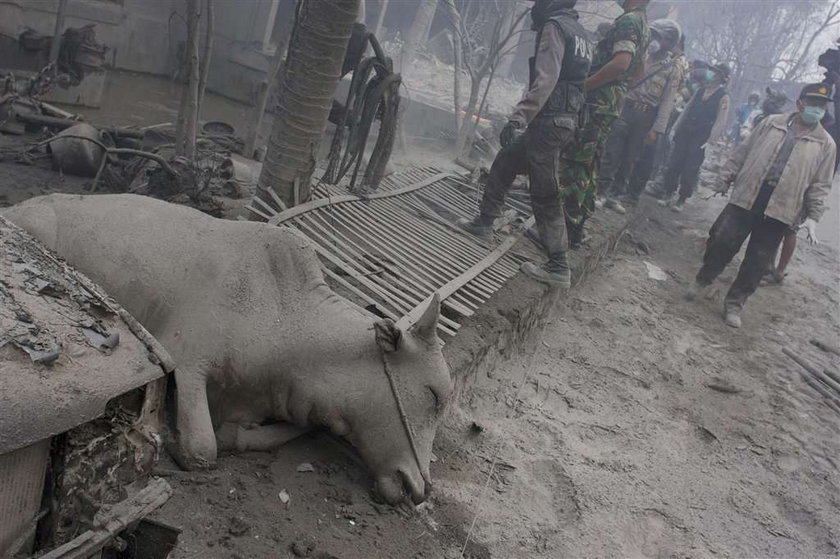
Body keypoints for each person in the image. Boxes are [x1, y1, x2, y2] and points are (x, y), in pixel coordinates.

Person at [457, 0, 593, 288]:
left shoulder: (555, 27)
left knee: (544, 192)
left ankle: (558, 265)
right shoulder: (581, 32)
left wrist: (519, 117)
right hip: (564, 121)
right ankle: (483, 223)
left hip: (549, 121)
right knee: (506, 161)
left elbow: (546, 80)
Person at [688, 83, 836, 329]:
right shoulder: (772, 123)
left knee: (758, 261)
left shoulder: (825, 144)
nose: (817, 109)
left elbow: (821, 184)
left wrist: (813, 216)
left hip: (781, 209)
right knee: (722, 241)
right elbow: (743, 151)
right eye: (813, 104)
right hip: (748, 197)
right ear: (800, 104)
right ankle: (703, 280)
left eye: (821, 106)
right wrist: (725, 177)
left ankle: (735, 303)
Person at [560, 0, 651, 248]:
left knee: (576, 162)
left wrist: (584, 86)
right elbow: (639, 71)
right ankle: (576, 227)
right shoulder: (644, 23)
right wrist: (618, 90)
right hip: (608, 104)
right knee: (589, 164)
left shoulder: (629, 21)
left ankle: (564, 233)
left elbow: (621, 63)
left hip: (596, 104)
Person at [598, 18, 684, 214]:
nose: (654, 40)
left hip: (646, 117)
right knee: (612, 151)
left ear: (669, 42)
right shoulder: (639, 55)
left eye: (659, 37)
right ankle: (600, 192)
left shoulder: (672, 67)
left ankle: (615, 195)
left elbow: (667, 102)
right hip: (625, 108)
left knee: (630, 157)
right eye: (653, 35)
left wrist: (656, 129)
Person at [658, 62, 731, 211]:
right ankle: (668, 193)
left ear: (721, 77)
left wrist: (711, 141)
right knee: (674, 163)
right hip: (685, 132)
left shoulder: (723, 97)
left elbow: (720, 121)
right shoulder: (700, 91)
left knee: (690, 168)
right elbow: (686, 110)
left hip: (701, 138)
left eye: (715, 72)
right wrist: (675, 128)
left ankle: (681, 199)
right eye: (711, 71)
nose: (711, 73)